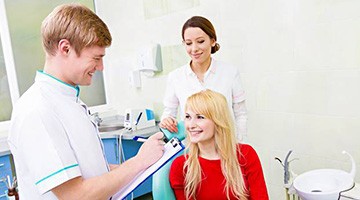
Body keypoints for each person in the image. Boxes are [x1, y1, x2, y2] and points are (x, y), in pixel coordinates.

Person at [7, 4, 164, 199]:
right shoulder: (36, 110)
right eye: (96, 58)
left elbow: (93, 172)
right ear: (65, 48)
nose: (101, 67)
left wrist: (146, 162)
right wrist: (138, 162)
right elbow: (75, 195)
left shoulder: (68, 100)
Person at [160, 16, 247, 141]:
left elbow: (241, 114)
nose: (194, 49)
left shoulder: (230, 72)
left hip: (225, 147)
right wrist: (167, 121)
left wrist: (239, 144)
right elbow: (168, 113)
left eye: (200, 41)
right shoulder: (176, 77)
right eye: (189, 43)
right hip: (192, 149)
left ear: (212, 40)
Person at [169, 90, 268, 200]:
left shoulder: (245, 154)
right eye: (188, 117)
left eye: (200, 117)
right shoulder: (181, 166)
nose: (191, 125)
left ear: (218, 121)